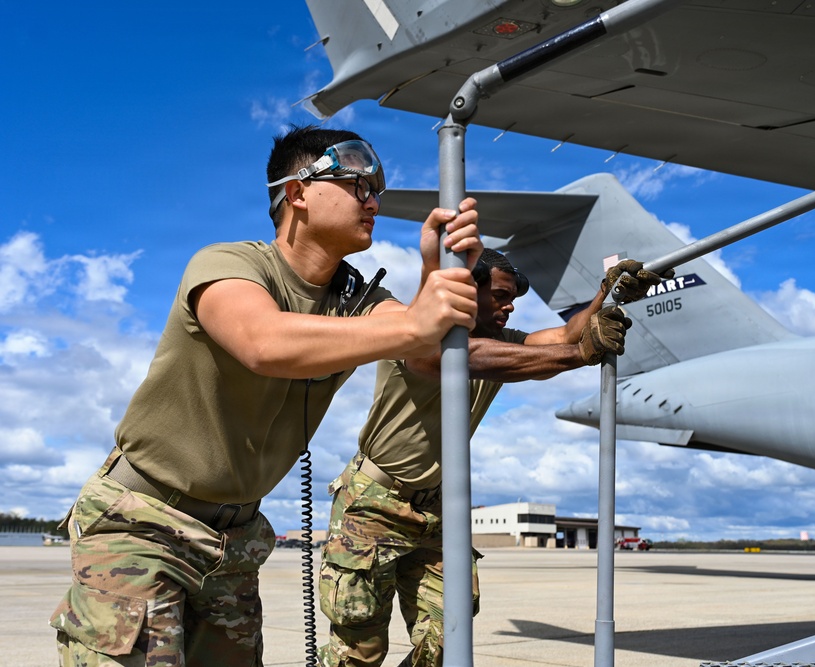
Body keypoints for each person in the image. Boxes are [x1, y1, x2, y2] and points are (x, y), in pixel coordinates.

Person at [49, 125, 483, 667]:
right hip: (144, 523)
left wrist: (433, 274)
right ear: (297, 192)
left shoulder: (358, 299)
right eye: (357, 185)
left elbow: (421, 354)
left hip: (234, 541)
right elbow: (263, 342)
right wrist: (419, 321)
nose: (373, 200)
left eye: (377, 189)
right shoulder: (228, 265)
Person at [319, 249, 663, 666]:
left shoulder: (503, 343)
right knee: (360, 649)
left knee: (449, 637)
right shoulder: (418, 333)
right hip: (375, 502)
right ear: (467, 288)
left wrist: (605, 297)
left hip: (436, 508)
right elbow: (464, 359)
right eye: (500, 295)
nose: (511, 304)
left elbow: (563, 338)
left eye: (513, 297)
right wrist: (577, 354)